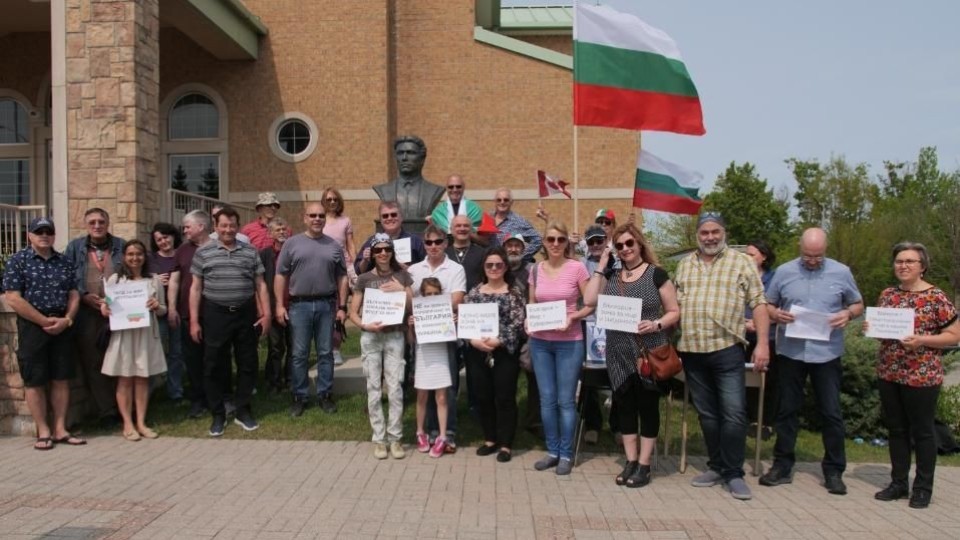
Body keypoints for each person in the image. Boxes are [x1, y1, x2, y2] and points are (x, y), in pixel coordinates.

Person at [673, 211, 770, 501]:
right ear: (697, 236)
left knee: (734, 413)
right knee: (707, 415)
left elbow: (760, 303)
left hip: (727, 348)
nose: (710, 237)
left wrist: (763, 343)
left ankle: (734, 473)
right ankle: (716, 466)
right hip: (692, 350)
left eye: (715, 231)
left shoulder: (742, 262)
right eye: (704, 233)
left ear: (724, 232)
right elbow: (674, 306)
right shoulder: (685, 265)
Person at [761, 228, 864, 495]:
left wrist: (847, 314)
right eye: (808, 255)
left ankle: (833, 471)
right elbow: (768, 303)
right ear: (800, 248)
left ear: (825, 250)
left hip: (826, 353)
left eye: (818, 256)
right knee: (786, 411)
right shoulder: (784, 272)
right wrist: (776, 314)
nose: (812, 261)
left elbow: (858, 304)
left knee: (831, 413)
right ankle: (782, 465)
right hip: (791, 352)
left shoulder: (841, 272)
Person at [584, 223, 679, 487]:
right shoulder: (611, 275)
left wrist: (656, 324)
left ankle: (645, 464)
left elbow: (673, 311)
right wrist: (603, 262)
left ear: (639, 245)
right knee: (624, 405)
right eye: (619, 245)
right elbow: (590, 299)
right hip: (618, 352)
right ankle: (630, 460)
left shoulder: (656, 274)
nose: (625, 249)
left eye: (629, 244)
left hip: (648, 350)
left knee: (648, 408)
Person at [867, 242, 960, 509]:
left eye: (910, 261)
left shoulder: (936, 297)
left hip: (922, 375)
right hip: (889, 371)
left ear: (922, 266)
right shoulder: (888, 294)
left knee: (922, 432)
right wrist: (871, 326)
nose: (903, 266)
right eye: (899, 261)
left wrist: (922, 340)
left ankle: (922, 488)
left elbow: (954, 335)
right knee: (896, 430)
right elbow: (882, 328)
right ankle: (898, 483)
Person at [1, 217, 84, 450]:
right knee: (34, 379)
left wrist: (67, 319)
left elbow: (74, 294)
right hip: (33, 326)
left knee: (61, 378)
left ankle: (60, 429)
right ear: (30, 235)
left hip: (62, 323)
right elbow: (13, 297)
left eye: (49, 231)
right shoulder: (18, 261)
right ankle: (43, 431)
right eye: (39, 232)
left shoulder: (65, 262)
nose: (44, 235)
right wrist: (43, 320)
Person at [189, 207, 271, 436]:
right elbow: (196, 288)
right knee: (213, 364)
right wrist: (194, 321)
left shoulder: (250, 251)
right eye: (223, 225)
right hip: (215, 314)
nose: (228, 229)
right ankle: (218, 414)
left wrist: (266, 314)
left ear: (238, 226)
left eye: (232, 225)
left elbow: (261, 284)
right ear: (215, 227)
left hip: (245, 313)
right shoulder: (203, 253)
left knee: (247, 362)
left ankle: (243, 410)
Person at [527, 222, 593, 476]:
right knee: (547, 400)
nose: (555, 244)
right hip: (541, 342)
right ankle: (552, 451)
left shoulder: (577, 268)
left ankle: (566, 453)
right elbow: (532, 303)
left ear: (567, 242)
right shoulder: (535, 270)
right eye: (551, 239)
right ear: (544, 242)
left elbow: (590, 304)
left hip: (569, 342)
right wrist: (528, 319)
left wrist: (574, 317)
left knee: (565, 401)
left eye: (560, 239)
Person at [275, 202, 349, 417]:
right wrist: (280, 304)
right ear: (304, 218)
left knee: (326, 353)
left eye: (320, 215)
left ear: (325, 219)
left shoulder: (334, 246)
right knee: (299, 354)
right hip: (299, 306)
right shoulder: (291, 244)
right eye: (312, 215)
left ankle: (325, 395)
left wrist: (342, 306)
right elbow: (281, 275)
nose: (317, 219)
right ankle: (300, 396)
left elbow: (342, 277)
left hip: (327, 305)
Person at [348, 233, 414, 459]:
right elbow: (353, 313)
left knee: (395, 388)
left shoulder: (403, 275)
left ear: (392, 252)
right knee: (373, 388)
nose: (383, 253)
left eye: (387, 249)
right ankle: (379, 438)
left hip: (395, 335)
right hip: (372, 336)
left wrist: (401, 290)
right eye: (379, 250)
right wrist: (365, 325)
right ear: (373, 254)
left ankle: (395, 438)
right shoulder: (364, 278)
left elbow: (412, 305)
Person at [100, 240, 168, 441]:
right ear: (124, 257)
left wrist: (157, 306)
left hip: (145, 334)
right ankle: (127, 424)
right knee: (125, 378)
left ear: (144, 257)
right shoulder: (115, 280)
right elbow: (106, 306)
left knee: (142, 379)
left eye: (139, 254)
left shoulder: (153, 280)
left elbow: (164, 309)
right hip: (124, 335)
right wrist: (105, 308)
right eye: (130, 254)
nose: (135, 258)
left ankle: (141, 422)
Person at [408, 225, 467, 452]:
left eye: (438, 242)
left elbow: (457, 299)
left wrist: (428, 308)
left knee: (446, 386)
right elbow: (410, 300)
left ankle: (447, 433)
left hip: (445, 335)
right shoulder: (414, 270)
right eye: (429, 242)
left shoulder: (455, 269)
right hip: (423, 337)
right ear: (424, 244)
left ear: (446, 243)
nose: (433, 246)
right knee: (424, 386)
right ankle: (429, 431)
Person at [464, 247, 526, 463]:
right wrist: (474, 341)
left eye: (498, 264)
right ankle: (490, 439)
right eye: (489, 265)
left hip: (504, 353)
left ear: (505, 267)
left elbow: (518, 323)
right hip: (477, 351)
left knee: (505, 397)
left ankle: (506, 444)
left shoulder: (514, 293)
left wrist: (498, 340)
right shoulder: (474, 293)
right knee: (483, 396)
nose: (493, 268)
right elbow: (466, 322)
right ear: (484, 267)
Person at [64, 207, 123, 428]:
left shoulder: (121, 245)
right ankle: (107, 411)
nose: (97, 226)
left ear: (108, 223)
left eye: (101, 222)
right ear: (86, 225)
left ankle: (125, 408)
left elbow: (134, 270)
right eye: (92, 222)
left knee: (121, 358)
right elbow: (67, 276)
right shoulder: (74, 247)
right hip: (87, 313)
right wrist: (83, 295)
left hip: (119, 311)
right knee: (93, 362)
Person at [167, 210, 211, 419]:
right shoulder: (182, 251)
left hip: (213, 314)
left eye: (187, 227)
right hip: (186, 314)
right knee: (193, 360)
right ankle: (197, 400)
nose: (184, 230)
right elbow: (174, 281)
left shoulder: (217, 248)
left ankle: (216, 398)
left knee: (214, 359)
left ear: (201, 226)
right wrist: (172, 308)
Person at [580, 224, 619, 445]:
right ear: (586, 243)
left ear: (607, 241)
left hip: (614, 325)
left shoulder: (619, 263)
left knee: (616, 377)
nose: (596, 245)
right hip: (588, 325)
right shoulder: (581, 265)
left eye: (599, 240)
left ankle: (618, 426)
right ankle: (592, 423)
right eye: (591, 241)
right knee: (589, 379)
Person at [412, 278, 454, 458]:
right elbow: (410, 341)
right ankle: (420, 432)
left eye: (436, 294)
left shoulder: (447, 310)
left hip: (440, 353)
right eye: (428, 294)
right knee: (421, 395)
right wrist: (411, 326)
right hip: (423, 353)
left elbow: (453, 337)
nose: (432, 297)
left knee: (442, 397)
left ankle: (442, 436)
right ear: (422, 295)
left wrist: (453, 322)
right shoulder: (417, 311)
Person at [504, 234, 540, 436]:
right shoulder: (498, 269)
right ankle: (509, 422)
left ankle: (534, 421)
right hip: (507, 334)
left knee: (534, 379)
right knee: (507, 382)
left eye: (517, 246)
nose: (514, 249)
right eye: (510, 245)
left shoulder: (532, 271)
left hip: (529, 333)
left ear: (523, 249)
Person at [372, 135, 445, 232]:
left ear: (422, 158)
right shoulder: (384, 190)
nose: (404, 158)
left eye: (410, 153)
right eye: (400, 153)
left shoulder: (434, 191)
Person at [744, 240, 778, 440]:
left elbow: (776, 307)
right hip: (744, 334)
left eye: (752, 254)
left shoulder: (774, 279)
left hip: (769, 337)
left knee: (768, 380)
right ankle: (750, 418)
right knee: (747, 379)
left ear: (763, 256)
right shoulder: (741, 277)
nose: (748, 258)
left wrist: (761, 324)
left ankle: (766, 422)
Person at [148, 222, 184, 402]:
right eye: (159, 239)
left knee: (177, 352)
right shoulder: (151, 259)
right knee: (157, 350)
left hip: (180, 309)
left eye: (166, 236)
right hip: (157, 312)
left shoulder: (183, 254)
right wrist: (154, 280)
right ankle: (150, 390)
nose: (163, 241)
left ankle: (175, 391)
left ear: (173, 235)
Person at [321, 187, 357, 366]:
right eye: (328, 200)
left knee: (339, 309)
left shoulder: (345, 221)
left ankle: (336, 348)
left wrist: (354, 267)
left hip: (342, 269)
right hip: (322, 269)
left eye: (335, 199)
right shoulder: (320, 220)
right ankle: (325, 348)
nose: (332, 202)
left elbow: (350, 245)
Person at [259, 217, 292, 394]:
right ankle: (273, 382)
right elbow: (259, 283)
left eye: (283, 229)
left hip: (294, 306)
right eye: (277, 230)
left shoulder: (293, 252)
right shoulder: (263, 255)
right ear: (270, 233)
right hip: (272, 307)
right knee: (275, 347)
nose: (281, 232)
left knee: (294, 346)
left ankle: (290, 380)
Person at [355, 202, 426, 275]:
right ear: (381, 220)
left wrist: (404, 268)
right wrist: (365, 260)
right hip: (378, 285)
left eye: (393, 215)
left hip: (407, 283)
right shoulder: (371, 242)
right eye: (385, 216)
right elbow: (359, 272)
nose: (389, 218)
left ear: (401, 218)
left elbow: (425, 269)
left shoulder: (415, 241)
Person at [491, 188, 541, 261]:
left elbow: (538, 239)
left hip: (510, 268)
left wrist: (520, 257)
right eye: (499, 200)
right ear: (494, 202)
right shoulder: (488, 218)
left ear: (511, 202)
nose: (502, 202)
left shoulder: (518, 221)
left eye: (506, 200)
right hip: (491, 266)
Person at [446, 214, 486, 292]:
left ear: (471, 230)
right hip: (450, 300)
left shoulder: (482, 253)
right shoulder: (444, 254)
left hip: (474, 301)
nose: (462, 228)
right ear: (451, 230)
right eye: (458, 226)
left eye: (466, 226)